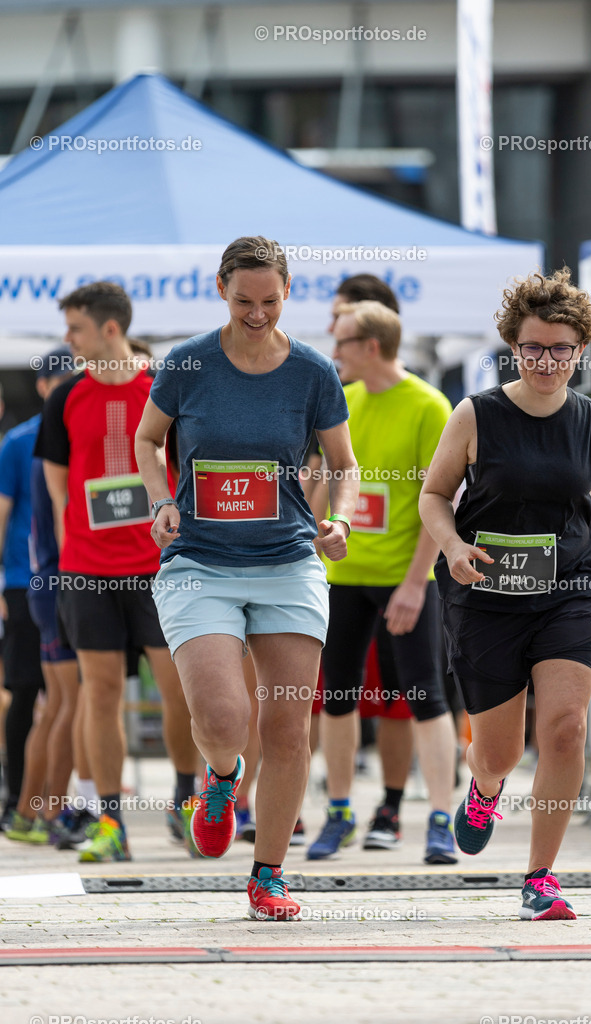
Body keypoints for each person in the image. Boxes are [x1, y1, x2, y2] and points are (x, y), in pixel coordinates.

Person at [419, 267, 591, 920]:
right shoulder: (476, 414)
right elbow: (434, 494)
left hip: (567, 590)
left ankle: (540, 877)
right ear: (512, 346)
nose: (546, 361)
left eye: (560, 349)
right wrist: (452, 546)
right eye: (532, 348)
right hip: (484, 594)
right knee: (499, 751)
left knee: (565, 728)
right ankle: (484, 787)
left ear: (580, 350)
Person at [134, 235, 358, 922]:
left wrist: (341, 519)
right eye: (242, 301)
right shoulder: (188, 363)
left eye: (269, 301)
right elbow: (147, 439)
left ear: (287, 291)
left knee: (288, 728)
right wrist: (160, 500)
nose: (256, 314)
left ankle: (268, 876)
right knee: (223, 719)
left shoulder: (313, 372)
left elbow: (344, 464)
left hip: (288, 563)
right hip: (200, 563)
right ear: (221, 290)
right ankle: (222, 776)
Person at [35, 282, 199, 862]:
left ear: (110, 329)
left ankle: (186, 799)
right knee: (99, 694)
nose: (67, 340)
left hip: (159, 569)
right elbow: (58, 492)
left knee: (179, 690)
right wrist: (69, 564)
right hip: (87, 572)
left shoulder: (163, 385)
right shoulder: (64, 396)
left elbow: (186, 470)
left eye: (75, 328)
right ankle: (110, 822)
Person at [307, 299, 458, 865]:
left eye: (342, 341)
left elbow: (438, 502)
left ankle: (440, 819)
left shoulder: (429, 405)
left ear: (371, 346)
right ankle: (339, 812)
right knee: (337, 697)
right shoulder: (344, 401)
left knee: (426, 696)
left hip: (404, 577)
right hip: (343, 575)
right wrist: (309, 541)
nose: (334, 351)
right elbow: (322, 480)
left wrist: (416, 584)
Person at [4, 348, 86, 845]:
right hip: (48, 581)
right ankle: (45, 811)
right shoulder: (37, 441)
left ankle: (30, 812)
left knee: (57, 703)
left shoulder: (55, 436)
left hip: (48, 581)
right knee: (60, 702)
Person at [0, 374, 54, 830]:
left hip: (77, 579)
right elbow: (2, 511)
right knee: (24, 690)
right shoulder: (19, 441)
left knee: (71, 696)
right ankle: (18, 797)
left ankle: (56, 801)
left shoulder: (83, 430)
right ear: (42, 385)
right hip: (23, 581)